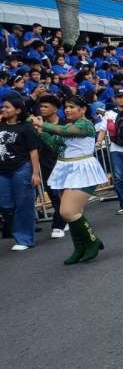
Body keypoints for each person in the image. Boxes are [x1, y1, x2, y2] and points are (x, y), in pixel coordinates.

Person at [29, 95, 107, 263]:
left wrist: (43, 124)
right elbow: (57, 146)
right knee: (72, 213)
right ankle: (79, 248)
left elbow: (64, 131)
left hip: (84, 170)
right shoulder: (70, 125)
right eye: (66, 107)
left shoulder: (85, 124)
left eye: (72, 107)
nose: (67, 110)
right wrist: (41, 133)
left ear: (83, 109)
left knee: (67, 211)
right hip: (67, 170)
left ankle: (92, 241)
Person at [0, 94, 41, 250]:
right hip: (2, 171)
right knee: (5, 205)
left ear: (17, 110)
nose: (3, 109)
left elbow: (34, 152)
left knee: (24, 204)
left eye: (7, 107)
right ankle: (18, 229)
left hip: (21, 168)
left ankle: (24, 239)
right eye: (2, 107)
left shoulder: (26, 128)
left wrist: (35, 173)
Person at [34, 93, 68, 238]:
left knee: (63, 195)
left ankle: (58, 224)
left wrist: (42, 133)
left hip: (64, 163)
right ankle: (65, 218)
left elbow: (58, 146)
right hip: (46, 165)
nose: (42, 109)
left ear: (55, 109)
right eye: (41, 106)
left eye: (46, 106)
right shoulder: (35, 125)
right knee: (54, 195)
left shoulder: (65, 124)